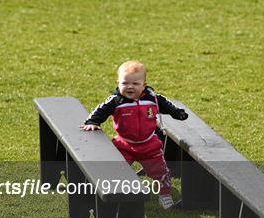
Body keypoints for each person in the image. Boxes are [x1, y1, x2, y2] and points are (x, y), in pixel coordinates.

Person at [79, 60, 188, 209]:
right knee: (116, 171)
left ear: (144, 84)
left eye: (135, 84)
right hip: (124, 145)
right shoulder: (116, 101)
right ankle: (118, 194)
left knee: (161, 173)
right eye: (125, 83)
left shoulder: (153, 98)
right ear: (118, 83)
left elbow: (166, 105)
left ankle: (164, 194)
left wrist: (177, 113)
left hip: (150, 145)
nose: (130, 87)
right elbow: (101, 110)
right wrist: (92, 122)